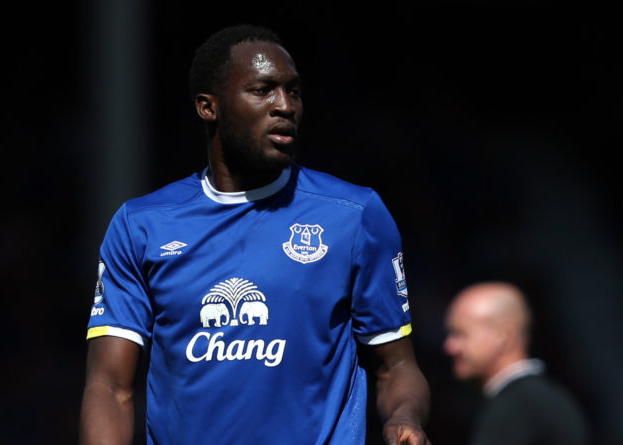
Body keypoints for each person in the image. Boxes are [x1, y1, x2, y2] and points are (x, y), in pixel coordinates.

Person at [79, 24, 432, 445]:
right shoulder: (141, 224)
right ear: (208, 107)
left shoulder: (355, 216)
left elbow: (395, 367)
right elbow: (110, 387)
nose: (285, 105)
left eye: (294, 91)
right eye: (263, 90)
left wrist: (404, 415)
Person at [443, 281, 589, 445]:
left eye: (460, 334)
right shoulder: (554, 398)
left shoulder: (517, 407)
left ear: (504, 336)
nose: (450, 347)